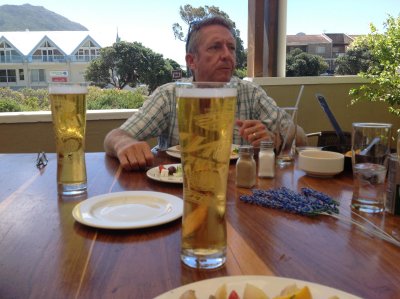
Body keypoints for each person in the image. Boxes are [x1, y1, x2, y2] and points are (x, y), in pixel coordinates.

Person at [104, 16, 307, 171]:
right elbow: (115, 136)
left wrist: (274, 139)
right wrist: (124, 144)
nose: (227, 55)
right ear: (191, 61)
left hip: (239, 192)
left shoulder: (250, 93)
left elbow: (301, 137)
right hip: (180, 189)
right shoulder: (169, 95)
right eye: (215, 47)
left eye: (231, 48)